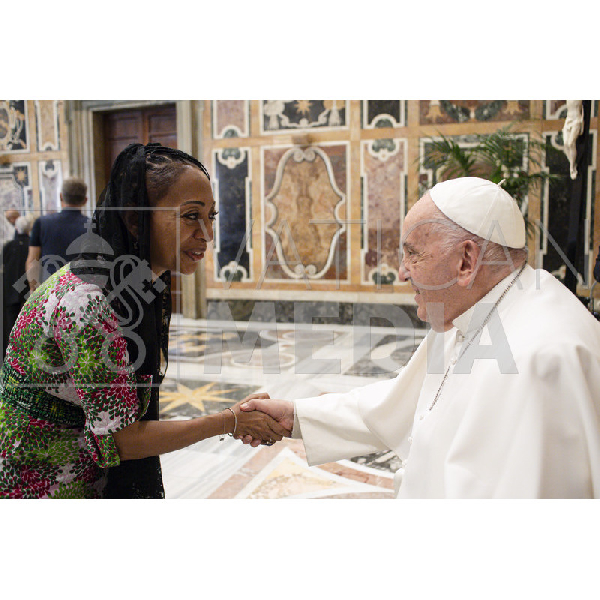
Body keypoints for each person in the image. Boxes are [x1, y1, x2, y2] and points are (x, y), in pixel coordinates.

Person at [241, 177, 600, 498]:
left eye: (413, 255)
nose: (401, 273)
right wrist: (296, 415)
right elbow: (404, 404)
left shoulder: (540, 361)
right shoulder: (477, 307)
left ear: (465, 261)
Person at [0, 143, 288, 499]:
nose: (207, 235)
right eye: (189, 216)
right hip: (40, 481)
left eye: (210, 216)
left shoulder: (135, 282)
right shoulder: (88, 303)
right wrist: (228, 420)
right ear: (137, 220)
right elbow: (123, 440)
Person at [26, 177, 90, 291]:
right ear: (85, 200)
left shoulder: (42, 223)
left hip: (51, 290)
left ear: (61, 196)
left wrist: (34, 290)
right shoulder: (93, 226)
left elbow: (33, 261)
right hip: (83, 292)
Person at [1, 215, 32, 358]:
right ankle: (26, 349)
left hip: (11, 288)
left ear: (16, 228)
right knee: (27, 319)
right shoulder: (32, 245)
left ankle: (12, 352)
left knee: (11, 321)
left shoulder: (8, 246)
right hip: (27, 287)